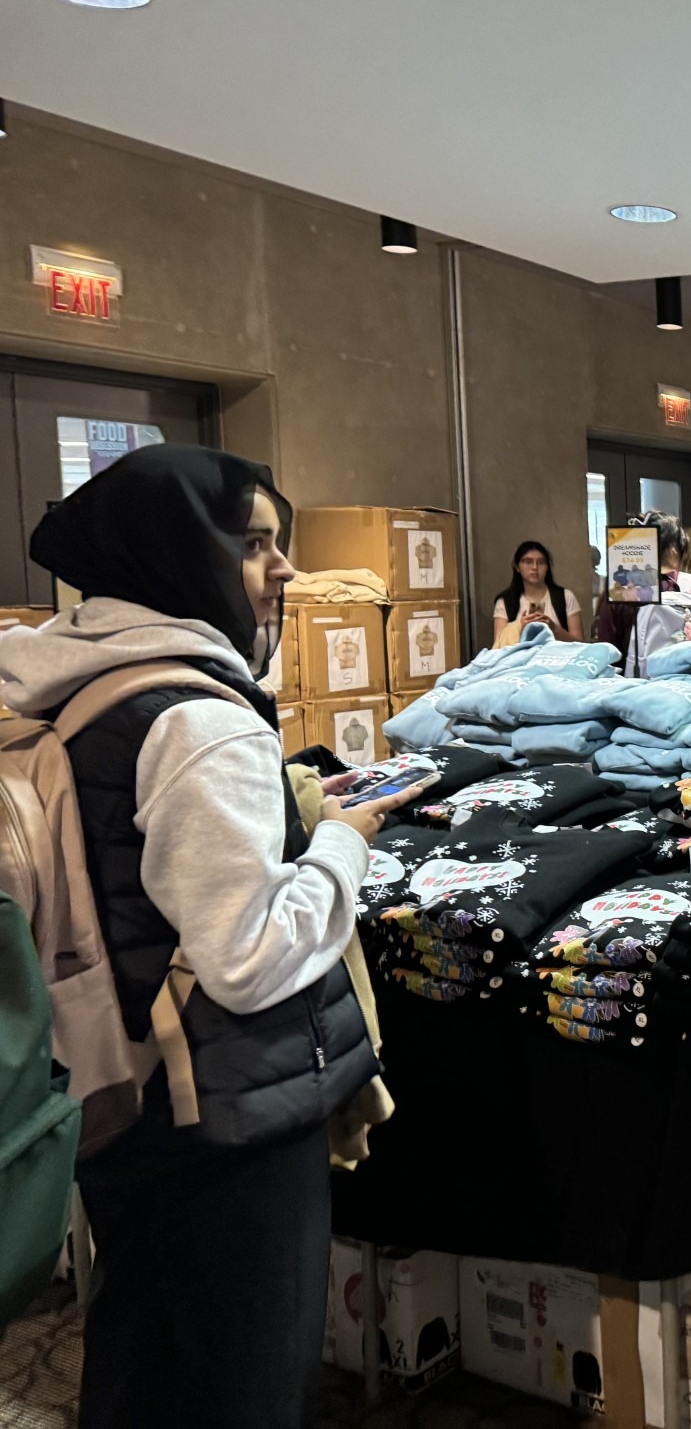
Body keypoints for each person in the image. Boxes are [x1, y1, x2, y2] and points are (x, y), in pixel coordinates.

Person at [0, 445, 419, 1428]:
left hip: (120, 1089)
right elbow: (250, 957)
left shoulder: (69, 679)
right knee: (243, 1378)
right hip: (224, 1115)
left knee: (142, 1349)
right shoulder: (199, 716)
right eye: (255, 542)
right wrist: (343, 847)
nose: (284, 570)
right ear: (175, 550)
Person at [592, 511, 691, 674]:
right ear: (674, 550)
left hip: (635, 692)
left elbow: (607, 654)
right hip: (689, 691)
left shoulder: (622, 591)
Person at [492, 540, 584, 645]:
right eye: (528, 562)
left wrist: (554, 629)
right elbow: (498, 645)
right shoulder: (505, 602)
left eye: (541, 562)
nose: (535, 567)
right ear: (517, 567)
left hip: (557, 659)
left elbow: (580, 644)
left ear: (547, 567)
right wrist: (520, 627)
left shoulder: (565, 597)